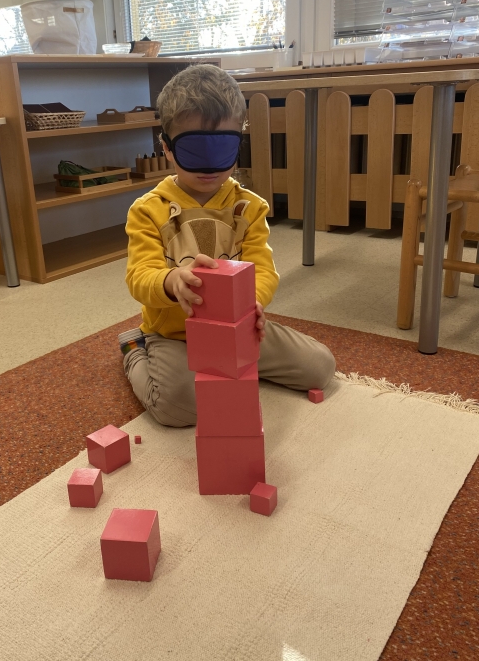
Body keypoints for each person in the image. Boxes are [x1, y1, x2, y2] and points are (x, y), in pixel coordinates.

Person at [119, 64, 335, 427]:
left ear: (238, 143)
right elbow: (139, 277)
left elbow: (263, 270)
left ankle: (231, 365)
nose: (209, 166)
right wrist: (171, 281)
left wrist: (253, 304)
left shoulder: (249, 208)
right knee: (178, 407)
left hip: (236, 329)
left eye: (221, 148)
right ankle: (133, 348)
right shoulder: (147, 210)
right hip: (174, 334)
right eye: (194, 149)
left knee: (320, 368)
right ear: (167, 148)